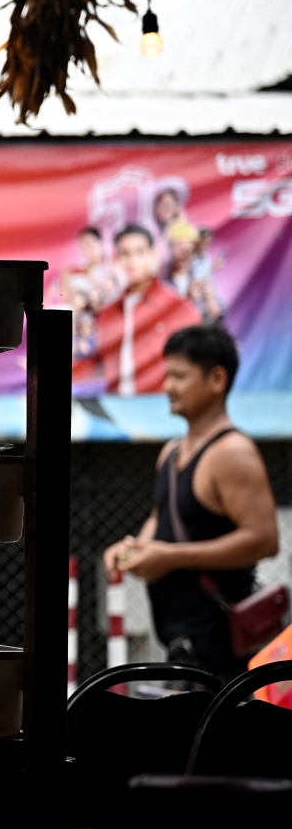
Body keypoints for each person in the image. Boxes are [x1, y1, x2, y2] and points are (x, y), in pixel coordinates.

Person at [103, 325, 279, 676]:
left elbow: (264, 540)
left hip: (225, 655)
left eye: (179, 376)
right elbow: (160, 519)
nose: (168, 387)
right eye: (167, 375)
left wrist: (171, 557)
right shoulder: (171, 453)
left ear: (217, 379)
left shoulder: (232, 452)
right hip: (182, 646)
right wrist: (132, 549)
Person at [72, 224, 200, 395]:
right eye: (125, 254)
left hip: (161, 404)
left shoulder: (176, 308)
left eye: (140, 252)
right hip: (116, 406)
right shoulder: (108, 314)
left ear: (153, 255)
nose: (133, 261)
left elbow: (197, 362)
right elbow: (98, 365)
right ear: (117, 259)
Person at [60, 226, 122, 360]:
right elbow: (67, 298)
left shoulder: (112, 268)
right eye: (84, 246)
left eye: (91, 245)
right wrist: (66, 282)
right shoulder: (76, 271)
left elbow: (115, 296)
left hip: (105, 318)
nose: (88, 250)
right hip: (81, 319)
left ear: (100, 243)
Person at [165, 219, 224, 323]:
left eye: (188, 250)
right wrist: (189, 298)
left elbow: (217, 313)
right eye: (179, 247)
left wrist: (210, 300)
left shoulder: (199, 277)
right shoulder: (163, 279)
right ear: (170, 248)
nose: (184, 254)